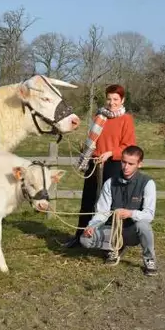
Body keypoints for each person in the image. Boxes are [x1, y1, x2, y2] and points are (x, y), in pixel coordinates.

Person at [63, 84, 136, 248]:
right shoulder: (100, 117)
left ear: (122, 100)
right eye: (109, 99)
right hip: (94, 162)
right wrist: (87, 148)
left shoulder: (126, 120)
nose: (112, 103)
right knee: (87, 201)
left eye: (115, 99)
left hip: (113, 164)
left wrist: (110, 153)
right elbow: (93, 139)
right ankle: (80, 235)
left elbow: (128, 145)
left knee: (110, 203)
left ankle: (110, 240)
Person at [79, 145, 157, 275]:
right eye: (123, 162)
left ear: (139, 164)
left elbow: (149, 215)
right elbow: (102, 212)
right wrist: (92, 226)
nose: (126, 167)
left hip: (133, 231)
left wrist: (130, 213)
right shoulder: (110, 183)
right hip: (113, 229)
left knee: (144, 225)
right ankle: (114, 248)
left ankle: (149, 259)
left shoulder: (147, 183)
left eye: (131, 164)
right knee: (85, 240)